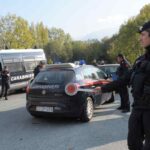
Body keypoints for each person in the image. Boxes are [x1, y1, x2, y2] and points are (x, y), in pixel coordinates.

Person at [96, 21, 150, 150]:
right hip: (138, 108)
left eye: (143, 34)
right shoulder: (140, 60)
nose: (140, 38)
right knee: (133, 143)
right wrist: (103, 88)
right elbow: (124, 80)